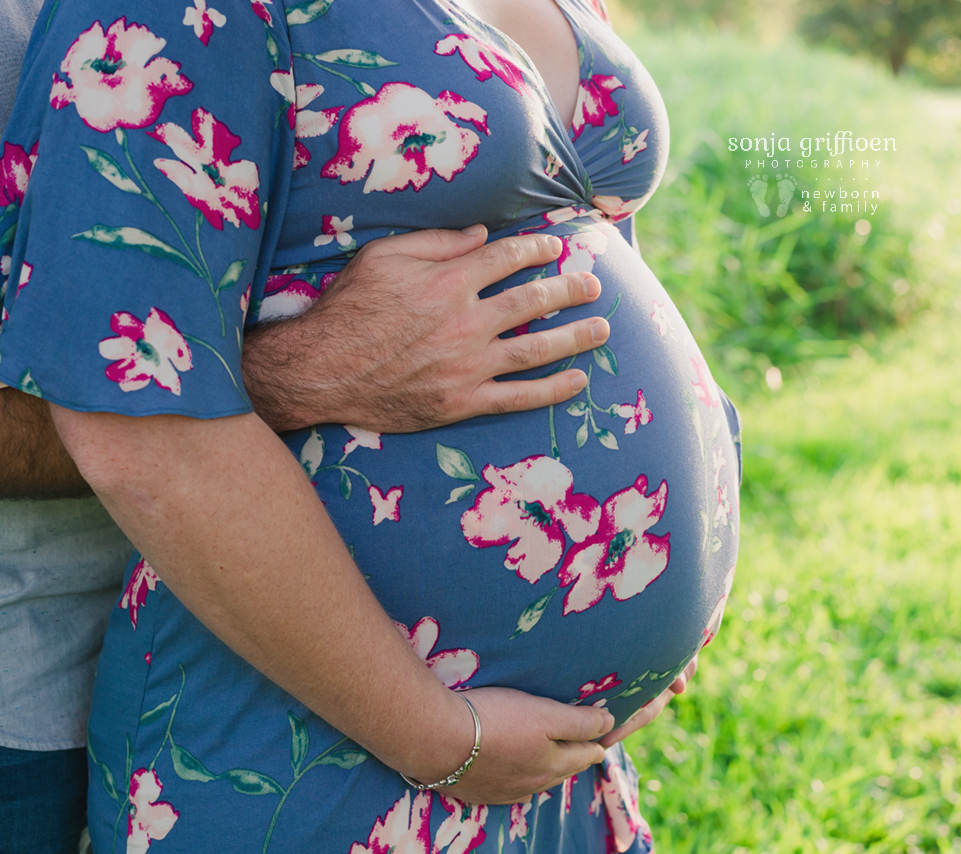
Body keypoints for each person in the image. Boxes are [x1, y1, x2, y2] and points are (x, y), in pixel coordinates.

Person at [0, 0, 739, 851]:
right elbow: (137, 415)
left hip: (550, 756)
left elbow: (589, 233)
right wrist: (440, 739)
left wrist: (682, 542)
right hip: (330, 728)